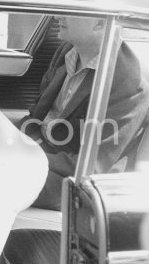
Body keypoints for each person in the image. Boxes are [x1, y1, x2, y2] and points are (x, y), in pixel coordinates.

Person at [19, 16, 149, 210]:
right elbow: (37, 117)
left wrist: (23, 158)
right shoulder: (67, 51)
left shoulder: (129, 81)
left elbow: (93, 165)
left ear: (100, 23)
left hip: (81, 185)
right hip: (48, 157)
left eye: (71, 11)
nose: (56, 16)